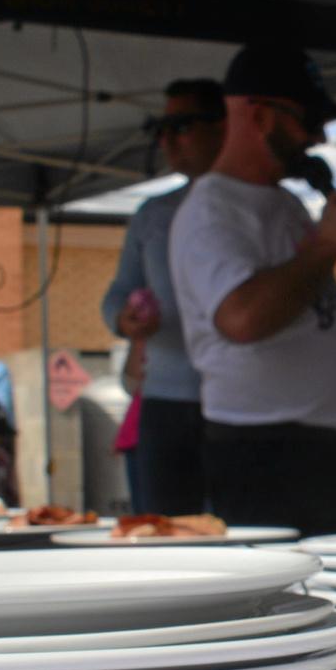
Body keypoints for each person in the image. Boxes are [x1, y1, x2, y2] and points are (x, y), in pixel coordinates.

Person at [167, 41, 336, 536]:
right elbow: (242, 318)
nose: (317, 136)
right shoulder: (210, 212)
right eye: (306, 120)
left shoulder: (281, 202)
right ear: (260, 116)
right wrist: (325, 246)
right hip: (268, 454)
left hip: (332, 449)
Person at [101, 78, 225, 513]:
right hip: (167, 401)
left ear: (224, 125)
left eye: (183, 125)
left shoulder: (261, 207)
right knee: (166, 537)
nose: (167, 140)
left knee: (245, 535)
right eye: (161, 128)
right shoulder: (153, 215)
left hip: (240, 403)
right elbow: (117, 293)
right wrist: (125, 321)